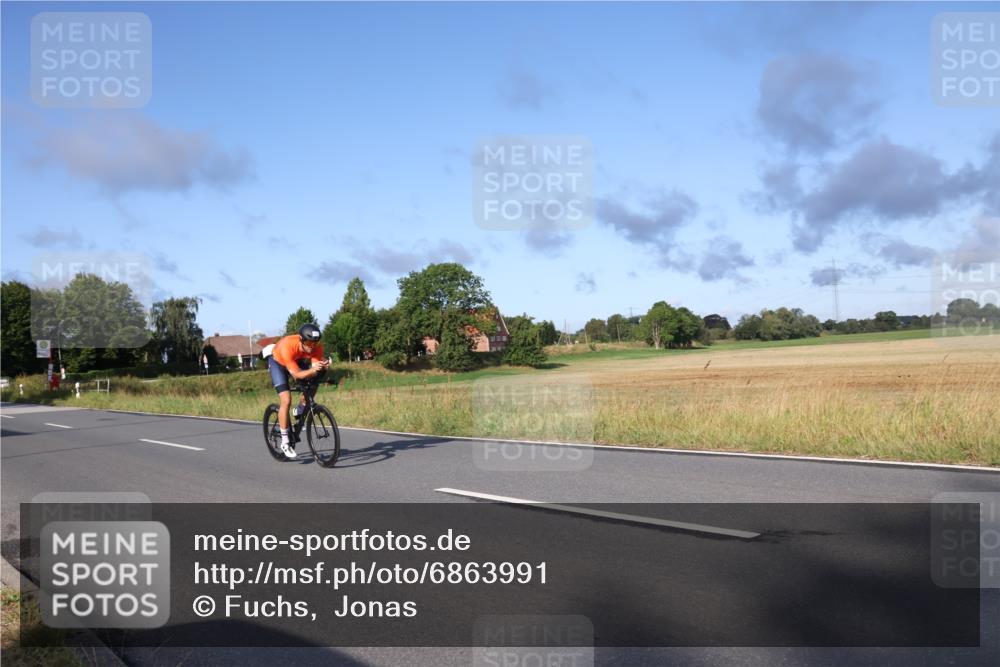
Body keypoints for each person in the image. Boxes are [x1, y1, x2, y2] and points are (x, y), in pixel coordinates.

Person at [268, 323, 330, 458]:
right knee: (286, 400)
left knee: (312, 385)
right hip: (278, 363)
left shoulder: (317, 347)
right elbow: (296, 375)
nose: (311, 346)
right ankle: (285, 441)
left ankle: (300, 409)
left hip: (296, 360)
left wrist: (322, 367)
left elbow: (314, 369)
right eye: (308, 342)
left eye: (314, 343)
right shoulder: (288, 345)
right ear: (301, 340)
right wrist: (313, 370)